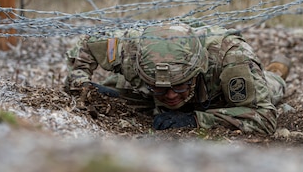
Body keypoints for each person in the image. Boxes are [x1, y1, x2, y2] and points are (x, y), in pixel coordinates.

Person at [64, 21, 291, 134]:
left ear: (197, 70)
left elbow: (265, 118)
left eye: (180, 86)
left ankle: (276, 71)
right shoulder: (131, 49)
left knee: (269, 87)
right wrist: (80, 82)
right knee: (111, 90)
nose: (171, 95)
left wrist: (196, 120)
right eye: (161, 88)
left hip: (217, 97)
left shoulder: (231, 58)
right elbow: (88, 45)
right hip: (148, 92)